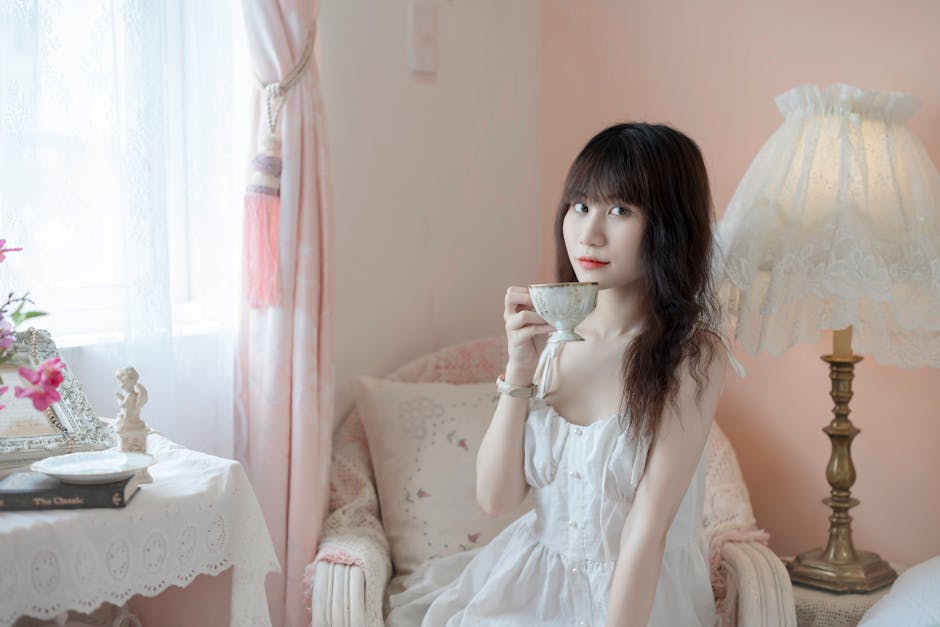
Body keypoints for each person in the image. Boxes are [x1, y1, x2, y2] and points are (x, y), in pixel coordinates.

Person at [386, 122, 744, 626]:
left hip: (636, 601)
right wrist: (518, 369)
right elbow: (496, 498)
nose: (588, 233)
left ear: (668, 225)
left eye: (620, 210)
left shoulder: (692, 355)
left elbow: (648, 528)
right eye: (580, 205)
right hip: (532, 586)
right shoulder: (554, 342)